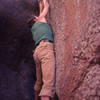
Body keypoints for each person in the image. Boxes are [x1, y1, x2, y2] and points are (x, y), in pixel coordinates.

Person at [30, 0, 56, 100]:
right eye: (37, 17)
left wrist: (39, 5)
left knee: (39, 82)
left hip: (37, 52)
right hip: (45, 49)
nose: (39, 16)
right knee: (48, 85)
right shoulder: (40, 19)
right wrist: (44, 1)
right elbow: (47, 6)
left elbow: (41, 13)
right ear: (36, 20)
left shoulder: (34, 29)